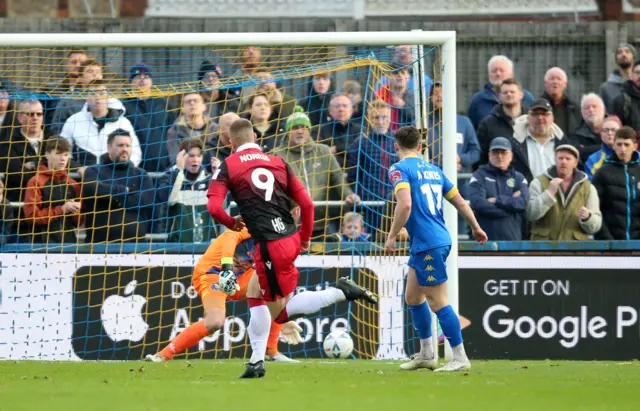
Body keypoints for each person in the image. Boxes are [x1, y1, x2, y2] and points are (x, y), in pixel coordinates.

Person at [206, 118, 378, 378]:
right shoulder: (278, 161)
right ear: (255, 139)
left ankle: (340, 291)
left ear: (231, 143)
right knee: (255, 292)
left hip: (269, 247)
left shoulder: (228, 166)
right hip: (289, 238)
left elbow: (214, 208)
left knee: (281, 314)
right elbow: (307, 204)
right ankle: (256, 361)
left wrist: (233, 223)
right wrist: (305, 239)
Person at [384, 126, 488, 372]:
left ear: (396, 146)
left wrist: (391, 236)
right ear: (420, 146)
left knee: (438, 301)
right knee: (413, 296)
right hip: (432, 240)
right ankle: (427, 354)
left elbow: (405, 204)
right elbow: (460, 201)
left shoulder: (398, 169)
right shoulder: (434, 170)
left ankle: (460, 357)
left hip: (429, 243)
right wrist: (475, 226)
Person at [145, 227, 301, 363]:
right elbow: (230, 237)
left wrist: (280, 316)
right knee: (215, 322)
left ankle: (270, 351)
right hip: (213, 274)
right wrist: (227, 268)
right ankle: (163, 354)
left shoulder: (277, 235)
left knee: (279, 281)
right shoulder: (254, 222)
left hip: (240, 277)